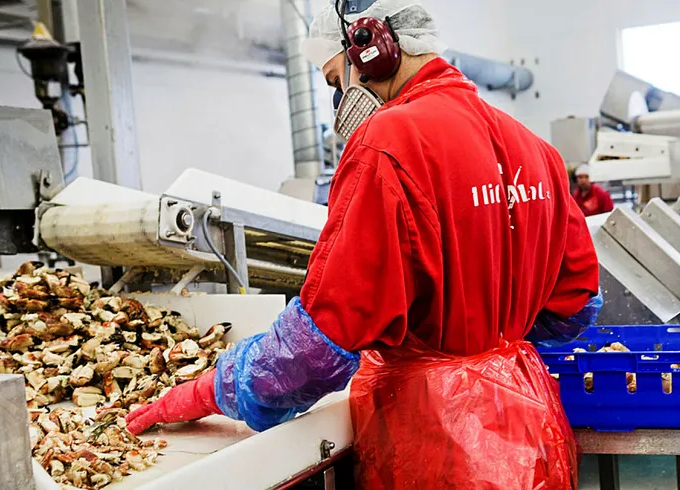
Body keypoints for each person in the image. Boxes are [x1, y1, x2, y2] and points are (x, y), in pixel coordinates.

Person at [124, 1, 601, 488]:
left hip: (438, 440)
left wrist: (211, 390)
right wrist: (493, 330)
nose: (340, 101)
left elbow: (317, 347)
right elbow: (576, 307)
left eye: (336, 81)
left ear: (372, 50)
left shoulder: (387, 143)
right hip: (528, 429)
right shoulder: (534, 147)